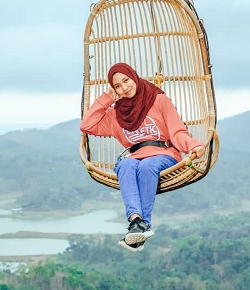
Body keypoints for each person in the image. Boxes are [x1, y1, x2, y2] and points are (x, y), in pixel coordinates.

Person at [80, 63, 205, 252]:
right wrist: (107, 99)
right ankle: (137, 222)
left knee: (147, 166)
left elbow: (177, 130)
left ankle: (141, 225)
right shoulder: (116, 114)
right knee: (124, 166)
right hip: (136, 156)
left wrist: (192, 145)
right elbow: (87, 125)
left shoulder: (158, 100)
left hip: (164, 154)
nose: (124, 87)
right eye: (117, 86)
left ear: (134, 77)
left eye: (126, 80)